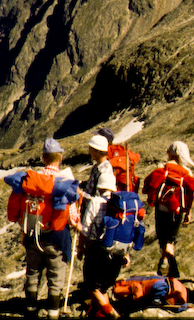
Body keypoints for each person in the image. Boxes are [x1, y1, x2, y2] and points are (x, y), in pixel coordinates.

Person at [22, 137, 74, 319]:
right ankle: (53, 312)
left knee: (33, 272)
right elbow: (72, 212)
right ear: (59, 157)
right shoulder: (66, 179)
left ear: (43, 158)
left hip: (34, 233)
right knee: (55, 274)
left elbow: (23, 206)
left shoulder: (33, 180)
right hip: (57, 236)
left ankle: (30, 309)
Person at [77, 135, 126, 318]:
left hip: (97, 246)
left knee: (91, 285)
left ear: (97, 150)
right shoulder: (117, 203)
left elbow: (86, 227)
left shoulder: (97, 201)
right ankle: (100, 313)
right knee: (103, 286)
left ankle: (111, 313)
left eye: (91, 148)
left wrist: (81, 247)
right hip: (115, 249)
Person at [142, 141, 194, 278]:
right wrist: (188, 213)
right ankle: (171, 269)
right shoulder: (187, 172)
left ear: (172, 153)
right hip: (177, 210)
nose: (166, 152)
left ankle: (167, 265)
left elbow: (150, 184)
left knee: (163, 240)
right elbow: (190, 194)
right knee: (171, 241)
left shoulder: (163, 167)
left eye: (168, 150)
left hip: (161, 208)